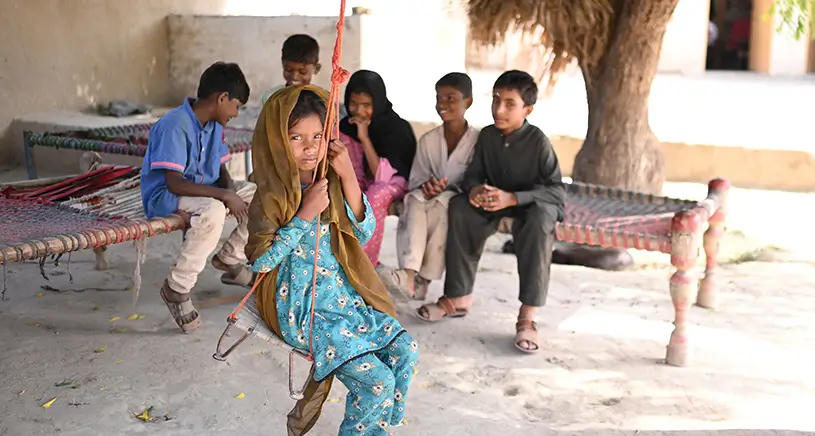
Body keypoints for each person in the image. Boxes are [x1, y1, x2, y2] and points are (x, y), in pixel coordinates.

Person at [247, 86, 418, 435]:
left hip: (343, 298)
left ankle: (379, 427)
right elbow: (261, 262)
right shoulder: (272, 194)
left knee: (405, 349)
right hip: (302, 309)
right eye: (296, 137)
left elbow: (363, 232)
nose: (310, 147)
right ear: (278, 140)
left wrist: (349, 176)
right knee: (376, 381)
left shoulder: (331, 180)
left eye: (318, 137)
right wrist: (304, 214)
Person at [416, 70, 565, 354]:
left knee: (541, 221)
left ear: (528, 109)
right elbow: (473, 175)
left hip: (529, 206)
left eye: (510, 104)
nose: (499, 109)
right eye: (496, 100)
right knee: (460, 207)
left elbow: (557, 191)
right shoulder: (487, 136)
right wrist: (474, 191)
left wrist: (513, 198)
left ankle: (528, 315)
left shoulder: (538, 141)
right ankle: (458, 297)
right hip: (493, 203)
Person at [140, 61, 255, 334]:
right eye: (236, 106)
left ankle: (230, 257)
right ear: (222, 98)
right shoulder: (174, 125)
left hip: (201, 191)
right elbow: (174, 182)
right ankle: (177, 288)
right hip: (166, 196)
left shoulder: (214, 125)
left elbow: (221, 169)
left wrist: (231, 192)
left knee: (259, 196)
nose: (236, 113)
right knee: (213, 211)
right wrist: (224, 195)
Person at [378, 72, 479, 301]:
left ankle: (424, 279)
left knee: (443, 206)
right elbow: (417, 178)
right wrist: (427, 186)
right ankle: (408, 275)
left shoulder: (478, 141)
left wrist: (448, 189)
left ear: (468, 101)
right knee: (414, 199)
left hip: (457, 199)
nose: (442, 104)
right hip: (427, 196)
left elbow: (478, 178)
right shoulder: (428, 140)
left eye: (450, 98)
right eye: (438, 98)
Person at [339, 70, 417, 266]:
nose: (359, 111)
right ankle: (340, 259)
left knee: (375, 194)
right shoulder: (345, 127)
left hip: (391, 183)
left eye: (367, 105)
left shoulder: (395, 129)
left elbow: (381, 177)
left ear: (378, 102)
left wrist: (364, 137)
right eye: (354, 103)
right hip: (361, 182)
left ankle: (365, 264)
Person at [260, 34, 322, 106]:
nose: (294, 77)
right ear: (283, 65)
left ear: (316, 68)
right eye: (288, 70)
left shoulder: (321, 100)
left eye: (302, 72)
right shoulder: (270, 97)